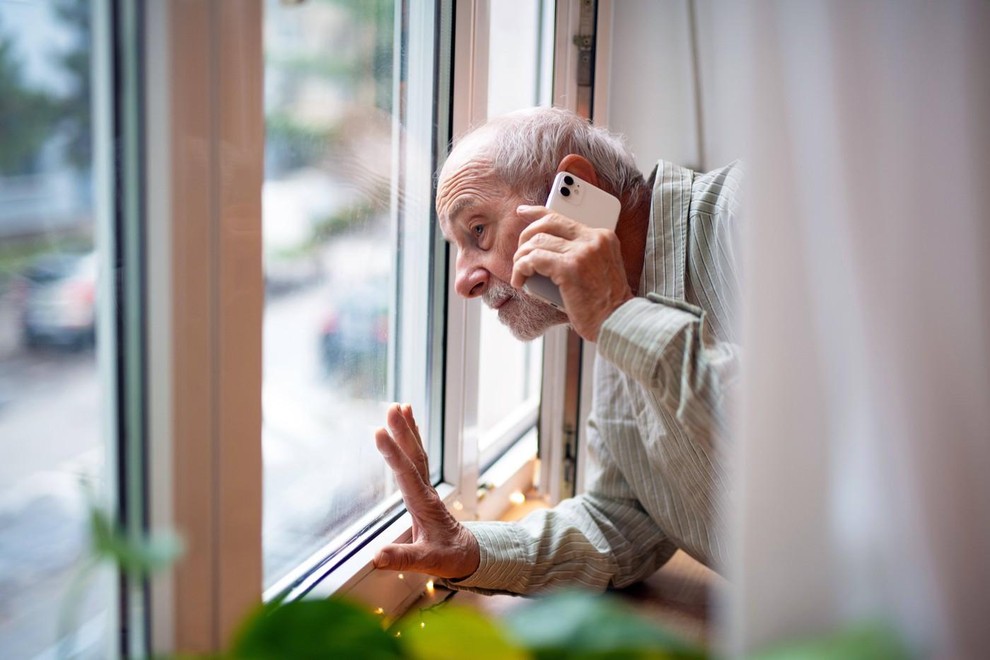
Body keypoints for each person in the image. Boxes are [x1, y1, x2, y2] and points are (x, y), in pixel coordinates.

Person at [373, 107, 741, 595]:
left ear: (576, 192)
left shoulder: (750, 215)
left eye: (478, 231)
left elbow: (794, 435)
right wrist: (469, 550)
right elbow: (620, 519)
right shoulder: (617, 308)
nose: (464, 280)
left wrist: (619, 316)